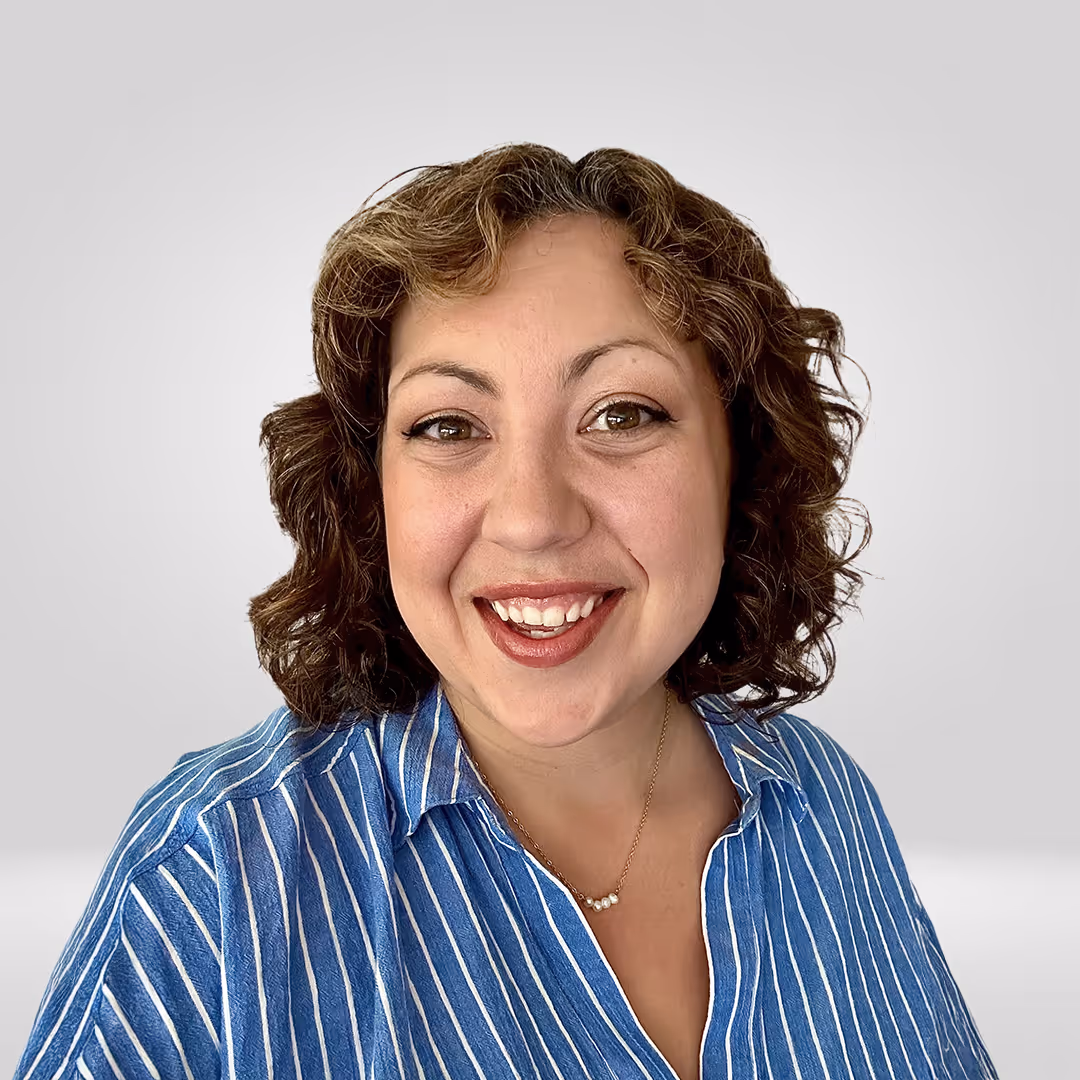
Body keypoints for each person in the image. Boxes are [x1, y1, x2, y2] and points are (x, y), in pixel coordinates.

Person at [15, 144, 998, 1080]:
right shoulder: (213, 871)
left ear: (740, 459)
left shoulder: (823, 800)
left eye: (622, 414)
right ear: (371, 490)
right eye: (449, 426)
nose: (533, 519)